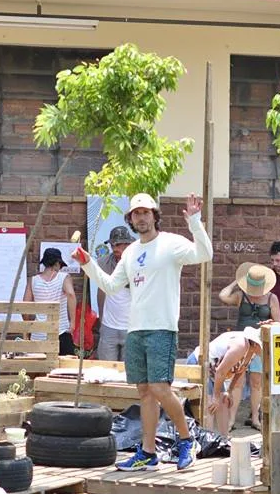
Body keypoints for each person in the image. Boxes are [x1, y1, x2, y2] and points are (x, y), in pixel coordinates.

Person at [73, 192, 213, 471]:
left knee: (161, 388)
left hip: (162, 327)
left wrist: (195, 221)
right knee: (145, 392)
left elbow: (205, 254)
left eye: (146, 212)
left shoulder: (171, 243)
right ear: (131, 219)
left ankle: (186, 440)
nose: (141, 217)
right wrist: (88, 263)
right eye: (136, 214)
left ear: (154, 215)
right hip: (135, 329)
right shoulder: (130, 252)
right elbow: (111, 286)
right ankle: (148, 453)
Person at [218, 262, 280, 430]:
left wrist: (270, 323)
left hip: (259, 345)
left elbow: (279, 323)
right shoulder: (241, 295)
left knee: (256, 382)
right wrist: (236, 281)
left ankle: (255, 418)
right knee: (237, 381)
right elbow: (223, 296)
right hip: (241, 344)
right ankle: (231, 419)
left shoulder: (271, 298)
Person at [187, 327, 262, 437]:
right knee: (210, 404)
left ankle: (224, 439)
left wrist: (229, 390)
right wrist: (216, 396)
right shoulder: (240, 346)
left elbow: (240, 370)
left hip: (214, 370)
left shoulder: (252, 351)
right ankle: (208, 440)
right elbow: (220, 371)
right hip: (200, 362)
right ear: (255, 344)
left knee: (224, 402)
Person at [24, 247, 77, 356]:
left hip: (38, 334)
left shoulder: (33, 280)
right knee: (65, 365)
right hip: (60, 331)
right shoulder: (64, 278)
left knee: (39, 366)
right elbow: (71, 295)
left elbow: (25, 307)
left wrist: (28, 325)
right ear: (57, 263)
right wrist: (72, 322)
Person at [95, 225, 134, 362]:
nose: (115, 248)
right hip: (109, 326)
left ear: (128, 244)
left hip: (132, 326)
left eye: (118, 244)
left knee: (130, 370)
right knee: (106, 368)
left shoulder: (137, 263)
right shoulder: (104, 263)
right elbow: (101, 290)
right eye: (112, 245)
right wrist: (101, 317)